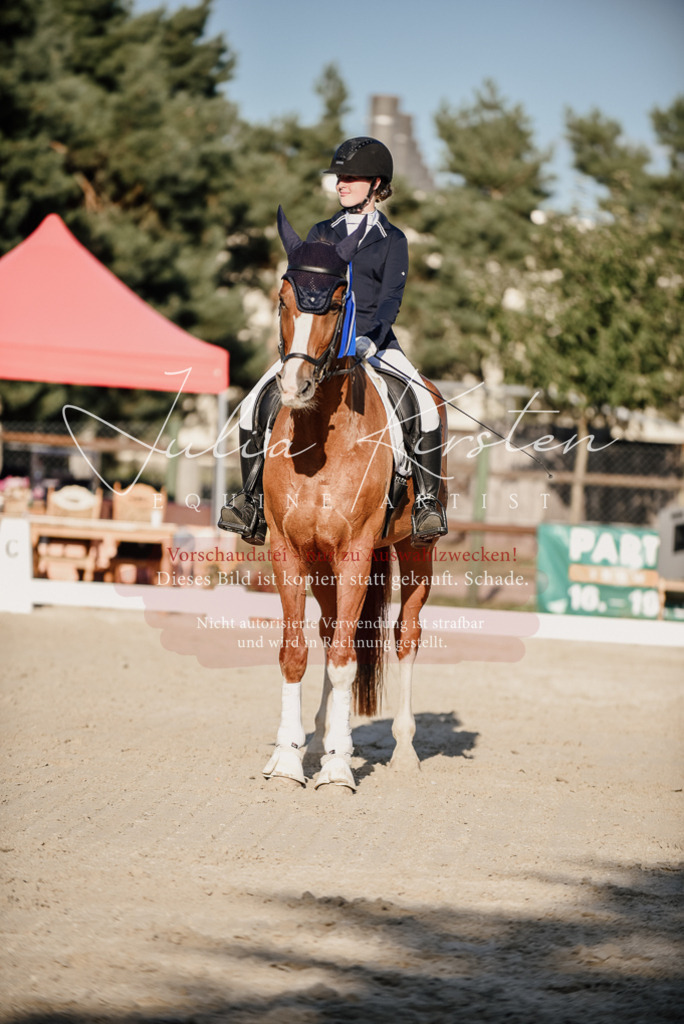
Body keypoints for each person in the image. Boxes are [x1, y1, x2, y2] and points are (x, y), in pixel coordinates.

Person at [218, 137, 447, 546]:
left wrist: (370, 339)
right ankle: (250, 501)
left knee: (425, 407)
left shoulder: (393, 239)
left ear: (376, 184)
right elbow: (305, 291)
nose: (341, 183)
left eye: (351, 177)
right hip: (318, 347)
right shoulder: (322, 232)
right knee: (253, 403)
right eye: (339, 176)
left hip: (375, 343)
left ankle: (427, 503)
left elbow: (391, 299)